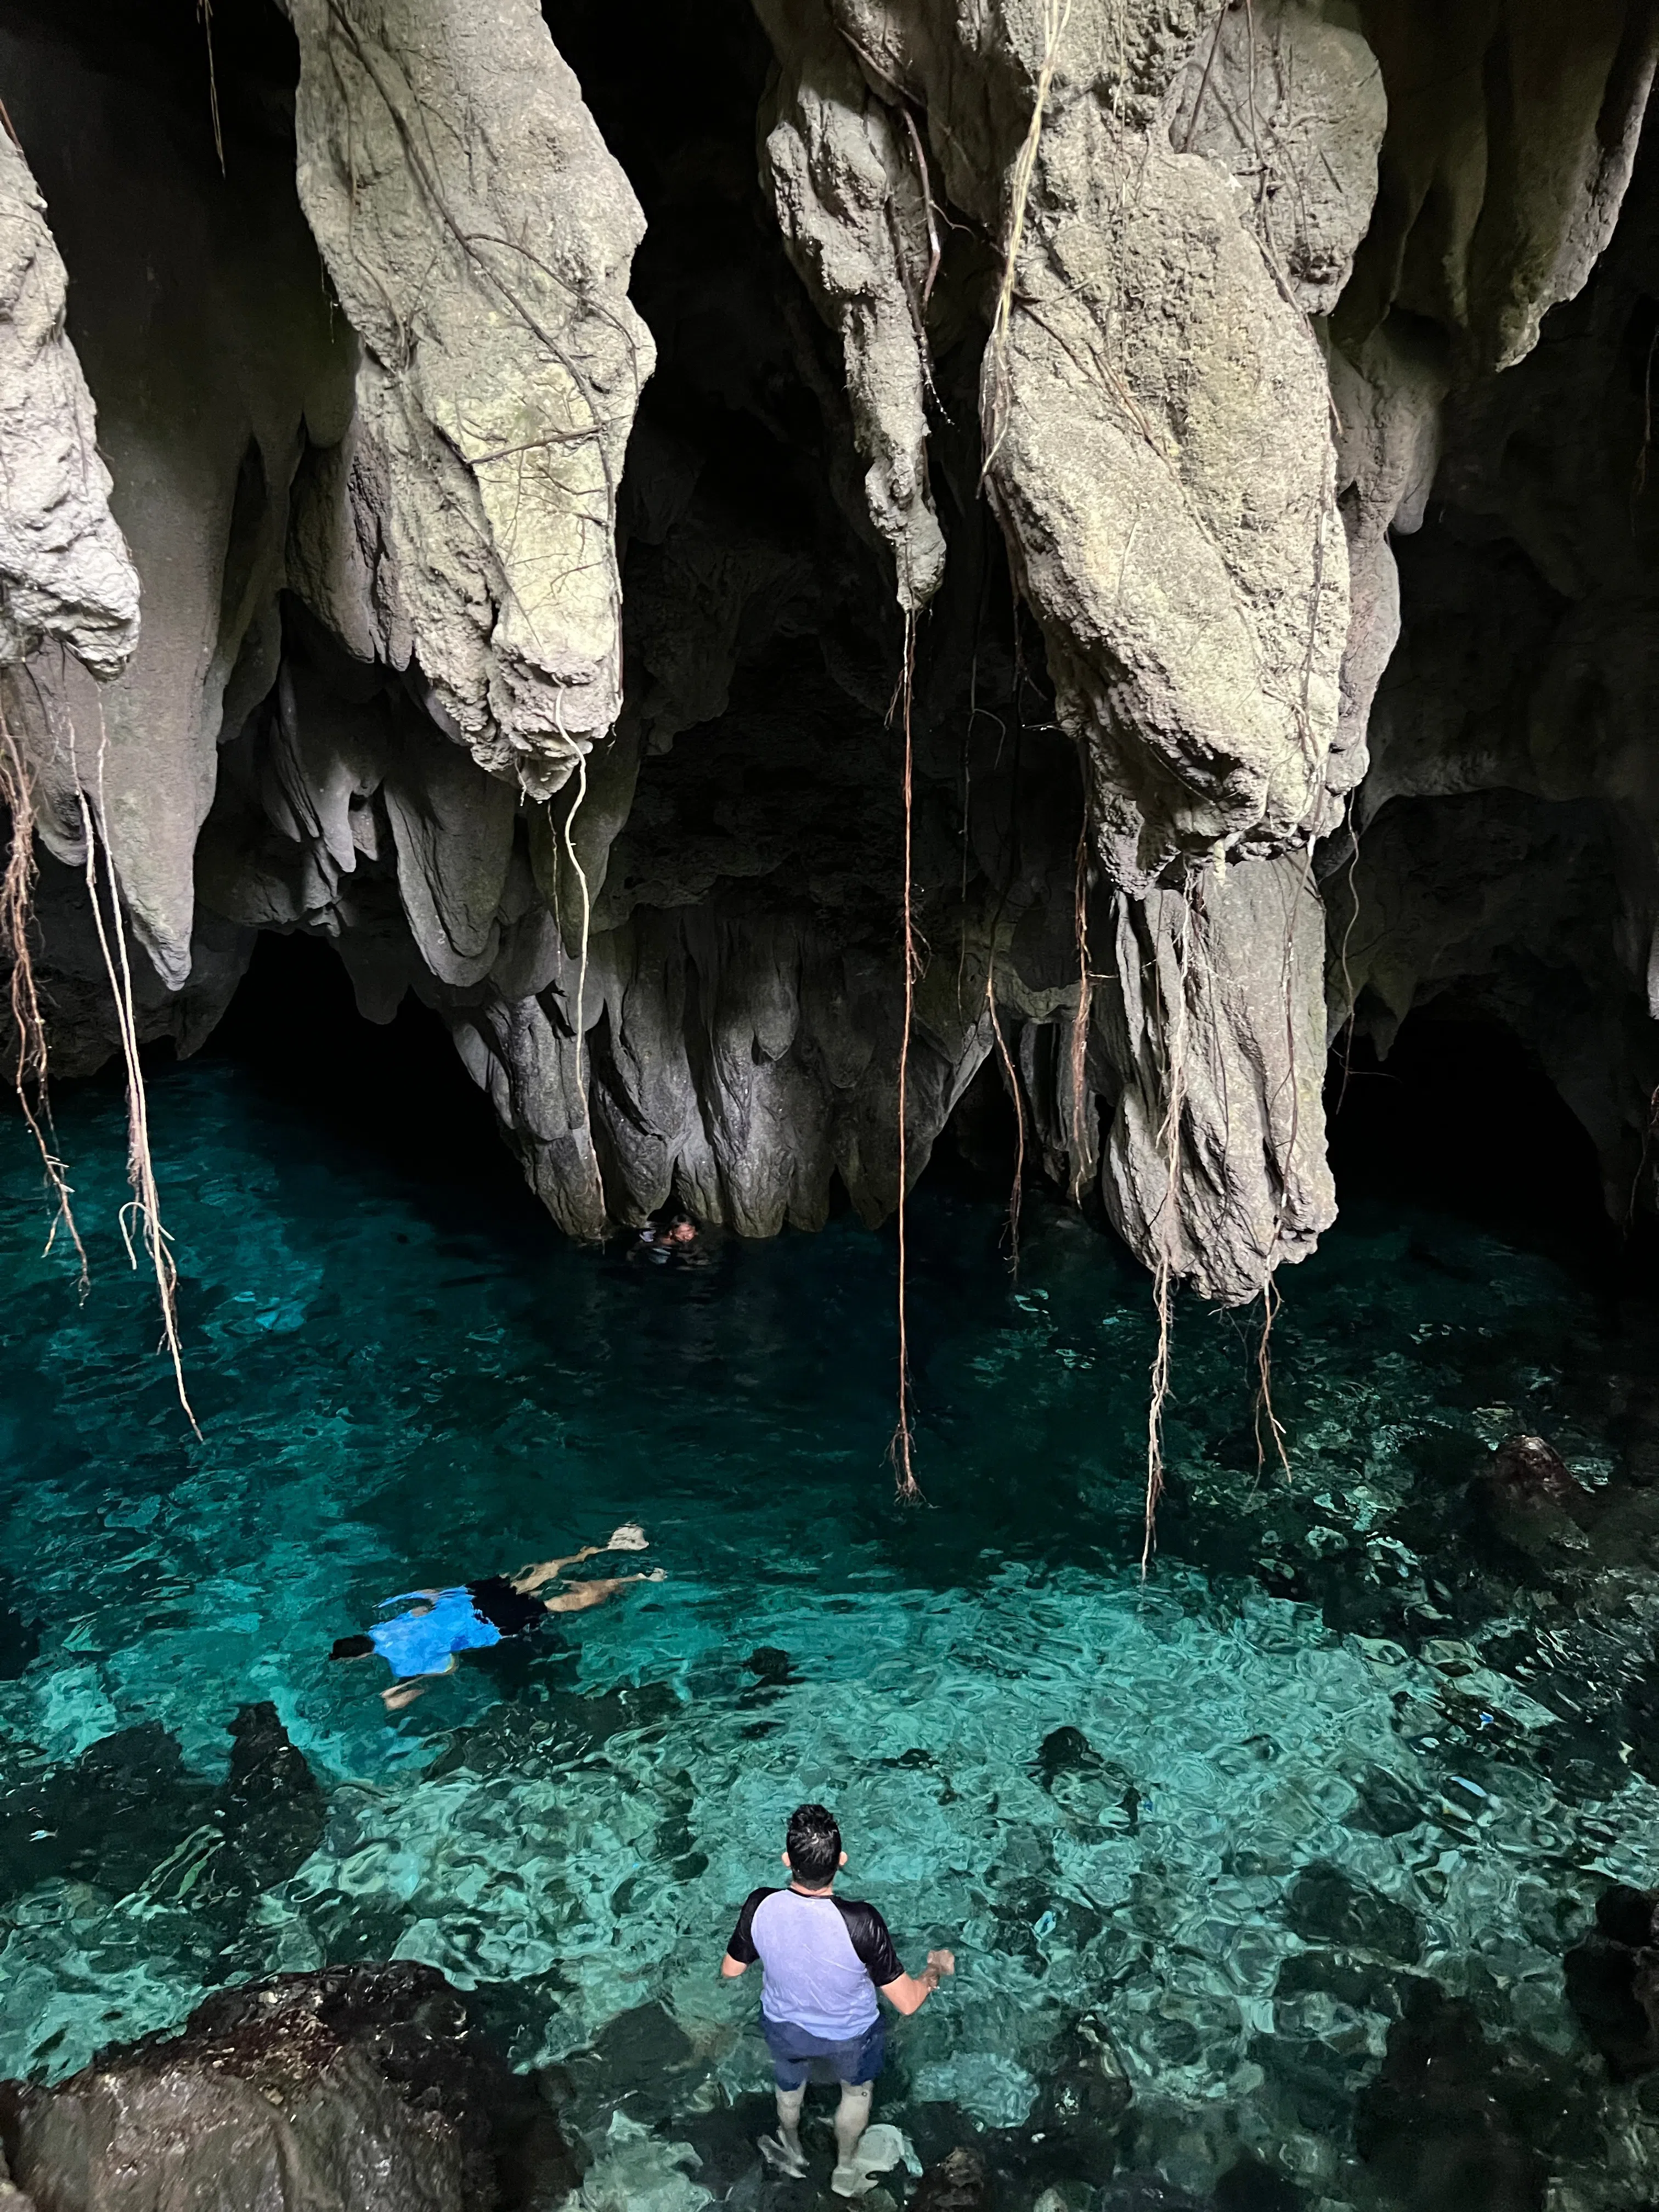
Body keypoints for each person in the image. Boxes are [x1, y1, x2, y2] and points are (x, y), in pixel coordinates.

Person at [721, 1803, 955, 2198]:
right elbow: (908, 2003)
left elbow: (732, 1971)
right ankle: (845, 2167)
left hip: (785, 2027)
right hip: (850, 2035)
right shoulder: (862, 1921)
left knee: (789, 2092)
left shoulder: (759, 1905)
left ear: (786, 1860)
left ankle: (793, 2150)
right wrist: (935, 1972)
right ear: (841, 1861)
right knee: (856, 2092)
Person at [330, 1524, 664, 1710]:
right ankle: (610, 1545)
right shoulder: (383, 1624)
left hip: (487, 1624)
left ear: (359, 1656)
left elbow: (449, 1665)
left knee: (558, 1604)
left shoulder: (401, 1664)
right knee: (537, 1575)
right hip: (469, 1597)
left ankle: (636, 1578)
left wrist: (411, 1687)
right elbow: (424, 1603)